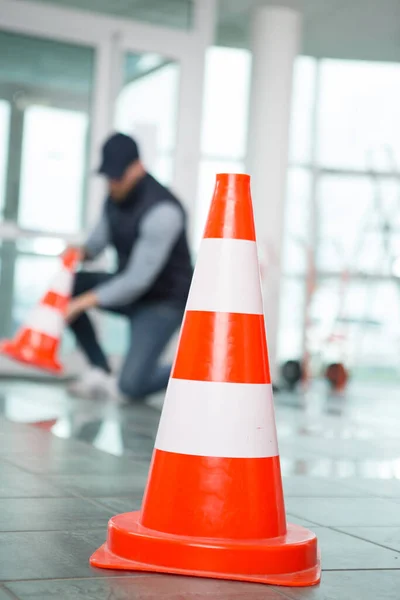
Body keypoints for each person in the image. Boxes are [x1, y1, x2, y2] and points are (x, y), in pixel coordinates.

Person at [65, 132, 193, 401]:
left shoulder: (164, 212)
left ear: (137, 168)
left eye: (118, 177)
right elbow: (97, 243)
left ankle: (199, 370)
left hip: (162, 302)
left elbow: (137, 280)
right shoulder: (114, 197)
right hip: (131, 290)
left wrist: (81, 303)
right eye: (109, 177)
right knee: (71, 285)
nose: (112, 184)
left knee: (130, 387)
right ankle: (99, 369)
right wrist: (80, 252)